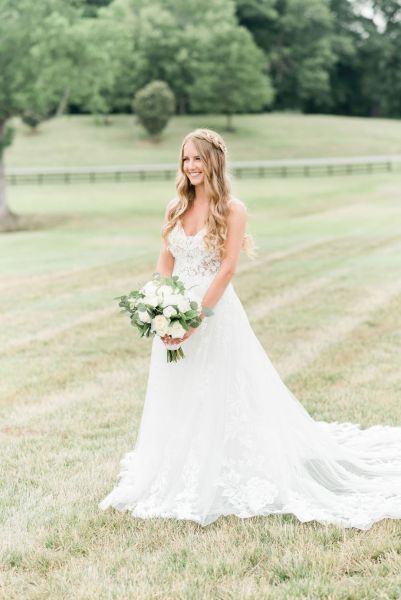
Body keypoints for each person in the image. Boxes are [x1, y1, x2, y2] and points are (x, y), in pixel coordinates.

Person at [99, 128, 401, 529]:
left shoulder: (232, 209)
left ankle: (221, 463)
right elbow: (164, 258)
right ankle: (179, 460)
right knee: (178, 386)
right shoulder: (175, 206)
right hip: (172, 308)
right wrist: (159, 302)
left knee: (219, 388)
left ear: (214, 163)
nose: (191, 166)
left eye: (198, 159)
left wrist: (194, 318)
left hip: (214, 312)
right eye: (186, 159)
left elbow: (227, 269)